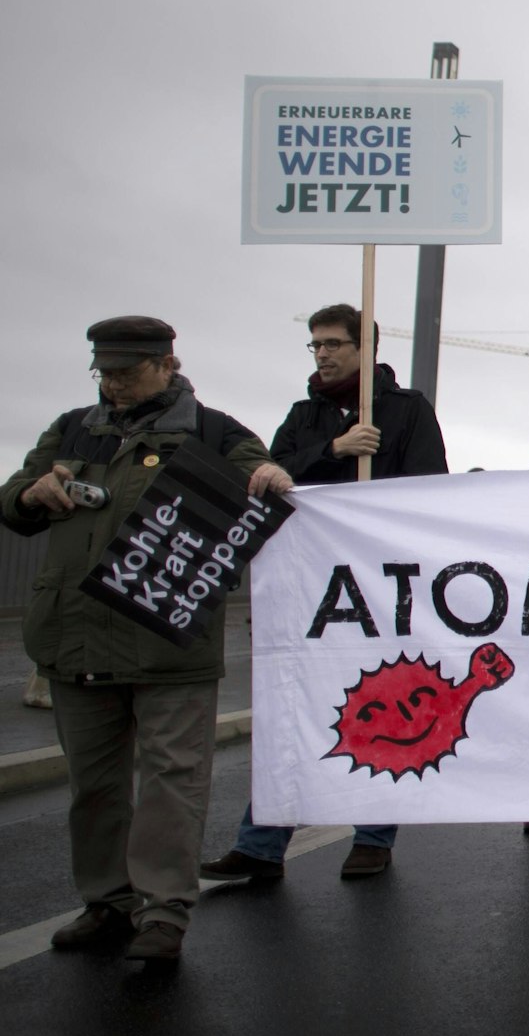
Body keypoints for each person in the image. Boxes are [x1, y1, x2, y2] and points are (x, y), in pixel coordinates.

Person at [2, 317, 291, 963]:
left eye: (127, 372)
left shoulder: (212, 430)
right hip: (75, 636)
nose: (114, 384)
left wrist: (270, 472)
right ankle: (106, 901)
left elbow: (262, 474)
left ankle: (163, 912)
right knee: (96, 785)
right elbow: (12, 497)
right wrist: (31, 493)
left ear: (167, 363)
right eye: (104, 372)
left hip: (168, 640)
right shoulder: (72, 427)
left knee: (172, 781)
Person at [201, 304, 449, 884]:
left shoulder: (407, 411)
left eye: (335, 343)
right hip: (309, 584)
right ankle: (261, 845)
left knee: (385, 703)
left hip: (378, 585)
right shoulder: (302, 415)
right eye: (316, 346)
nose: (324, 354)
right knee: (291, 711)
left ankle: (372, 836)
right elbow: (270, 475)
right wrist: (334, 451)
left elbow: (429, 490)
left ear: (367, 347)